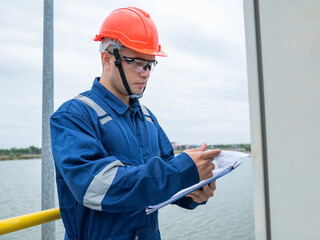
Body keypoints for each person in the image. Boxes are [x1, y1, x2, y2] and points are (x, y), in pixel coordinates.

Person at [50, 7, 220, 240]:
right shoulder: (73, 116)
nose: (146, 73)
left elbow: (163, 180)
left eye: (150, 64)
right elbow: (95, 188)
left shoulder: (148, 119)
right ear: (107, 59)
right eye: (137, 62)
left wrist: (192, 191)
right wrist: (182, 170)